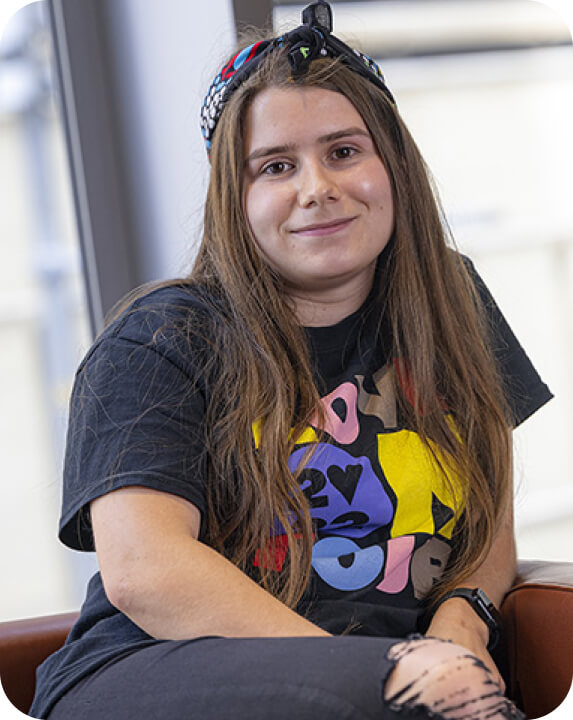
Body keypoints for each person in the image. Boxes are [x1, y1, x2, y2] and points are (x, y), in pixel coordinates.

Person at [30, 2, 552, 719]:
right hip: (152, 671)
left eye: (343, 151)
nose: (317, 187)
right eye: (275, 166)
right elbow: (144, 574)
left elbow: (486, 518)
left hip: (401, 684)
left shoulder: (450, 303)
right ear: (234, 199)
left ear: (391, 164)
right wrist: (370, 678)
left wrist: (462, 621)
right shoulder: (160, 339)